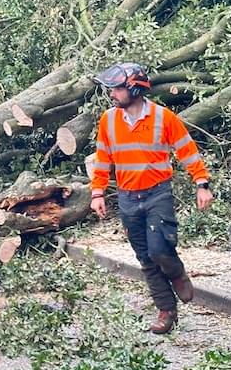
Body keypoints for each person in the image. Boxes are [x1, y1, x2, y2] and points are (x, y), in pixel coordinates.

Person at [88, 62, 214, 335]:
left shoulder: (163, 117)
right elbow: (102, 159)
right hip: (127, 197)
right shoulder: (108, 120)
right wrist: (97, 192)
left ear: (134, 88)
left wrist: (202, 184)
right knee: (145, 258)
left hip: (157, 193)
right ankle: (166, 311)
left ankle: (177, 273)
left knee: (160, 249)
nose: (112, 94)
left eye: (117, 88)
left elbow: (187, 151)